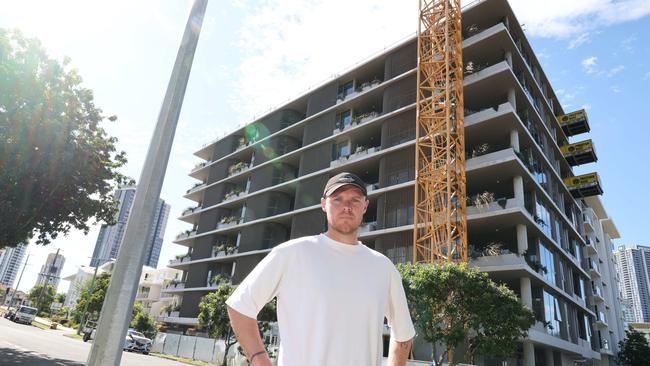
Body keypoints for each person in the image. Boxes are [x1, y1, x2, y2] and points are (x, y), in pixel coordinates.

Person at [226, 172, 415, 366]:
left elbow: (404, 335)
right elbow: (240, 306)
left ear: (365, 205)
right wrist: (260, 360)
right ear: (324, 204)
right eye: (338, 199)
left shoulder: (384, 268)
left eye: (355, 200)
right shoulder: (292, 253)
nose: (347, 207)